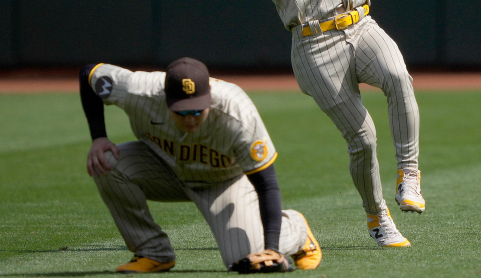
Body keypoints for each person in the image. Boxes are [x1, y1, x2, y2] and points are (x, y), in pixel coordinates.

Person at [237, 0, 424, 248]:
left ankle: (409, 174)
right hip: (314, 44)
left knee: (398, 77)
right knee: (364, 139)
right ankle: (378, 219)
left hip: (361, 25)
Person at [79, 57, 321, 273]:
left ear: (209, 97)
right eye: (182, 112)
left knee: (243, 259)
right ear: (166, 99)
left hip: (223, 183)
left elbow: (267, 184)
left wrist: (271, 248)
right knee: (107, 161)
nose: (190, 119)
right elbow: (89, 74)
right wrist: (98, 137)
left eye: (197, 110)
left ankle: (296, 230)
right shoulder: (137, 89)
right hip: (165, 168)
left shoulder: (236, 111)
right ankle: (152, 252)